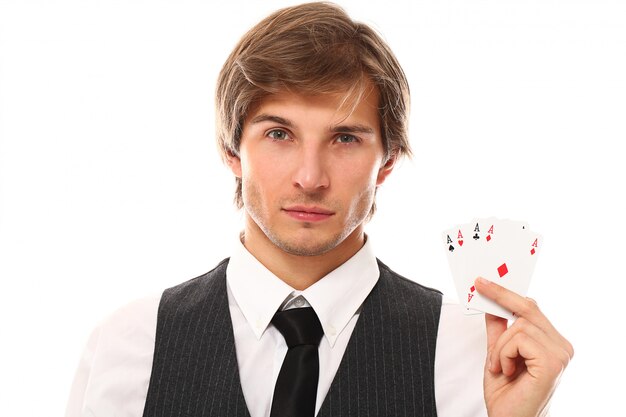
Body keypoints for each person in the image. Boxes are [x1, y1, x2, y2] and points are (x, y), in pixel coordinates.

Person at [65, 2, 573, 417]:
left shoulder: (473, 355)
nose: (310, 177)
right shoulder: (129, 345)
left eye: (345, 138)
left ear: (388, 161)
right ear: (231, 151)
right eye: (279, 134)